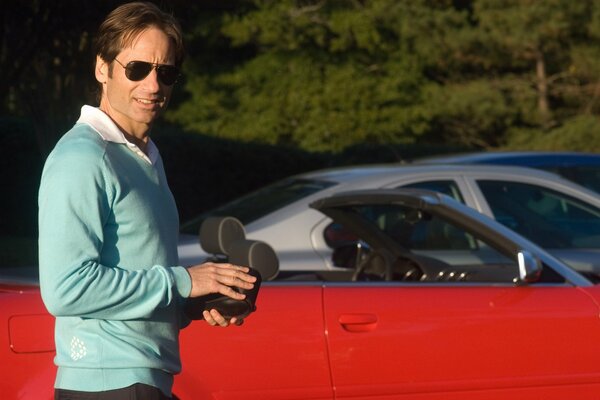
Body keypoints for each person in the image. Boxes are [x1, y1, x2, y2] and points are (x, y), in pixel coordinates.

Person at [38, 2, 256, 399]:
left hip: (140, 378)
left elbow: (138, 278)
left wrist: (195, 301)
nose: (153, 86)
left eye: (166, 72)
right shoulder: (84, 157)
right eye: (137, 69)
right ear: (102, 68)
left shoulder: (143, 155)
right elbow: (65, 289)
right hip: (111, 380)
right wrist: (183, 280)